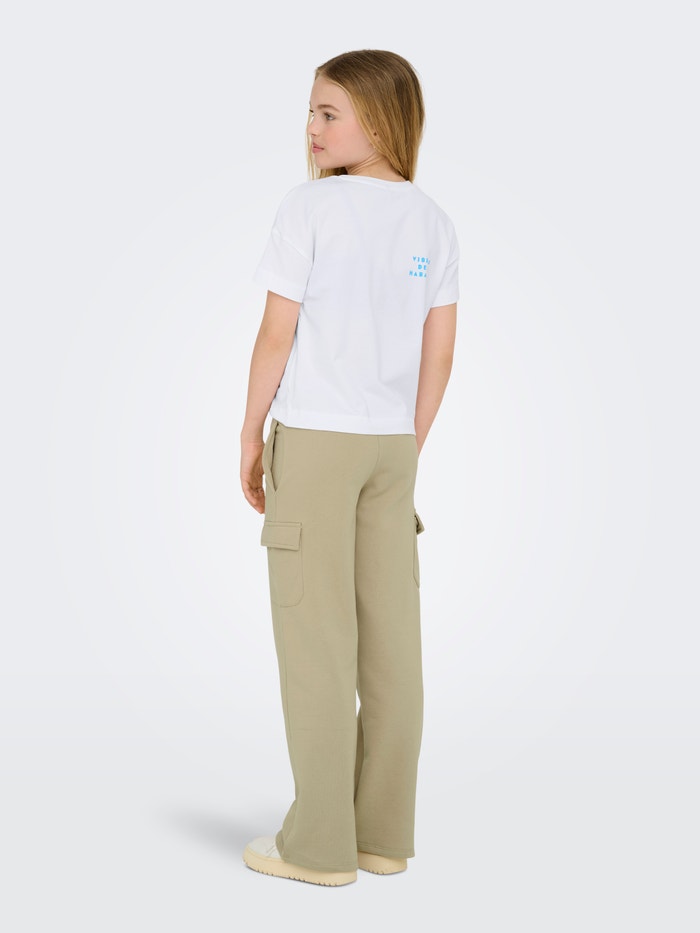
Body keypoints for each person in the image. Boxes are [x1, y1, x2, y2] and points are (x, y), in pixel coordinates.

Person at [239, 49, 459, 886]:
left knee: (317, 644)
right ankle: (382, 836)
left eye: (329, 112)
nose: (312, 127)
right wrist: (407, 442)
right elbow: (440, 353)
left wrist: (250, 434)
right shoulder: (433, 222)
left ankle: (319, 847)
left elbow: (276, 334)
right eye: (310, 111)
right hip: (390, 448)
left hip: (318, 441)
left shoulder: (311, 207)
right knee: (393, 646)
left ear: (381, 117)